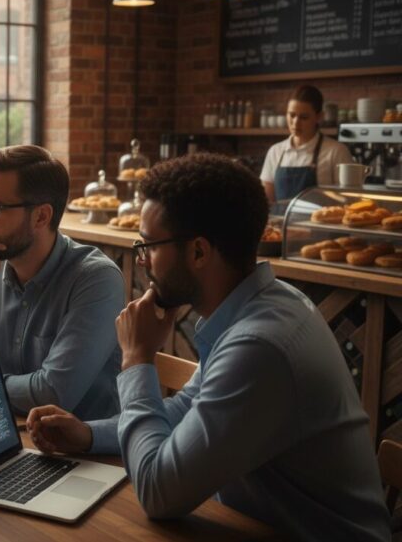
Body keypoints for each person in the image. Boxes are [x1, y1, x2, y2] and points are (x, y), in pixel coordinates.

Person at [26, 155, 389, 541]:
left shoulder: (259, 346)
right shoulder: (261, 306)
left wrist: (136, 359)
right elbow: (186, 410)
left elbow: (156, 491)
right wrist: (88, 434)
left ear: (199, 252)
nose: (144, 259)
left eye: (149, 245)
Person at [0, 145, 123, 418]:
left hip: (83, 453)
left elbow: (53, 393)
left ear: (41, 216)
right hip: (6, 435)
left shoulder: (96, 280)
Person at [259, 85, 352, 203]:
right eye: (292, 115)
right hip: (280, 221)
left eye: (304, 117)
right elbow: (267, 201)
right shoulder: (275, 151)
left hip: (319, 221)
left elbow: (347, 200)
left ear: (319, 117)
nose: (295, 123)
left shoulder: (336, 151)